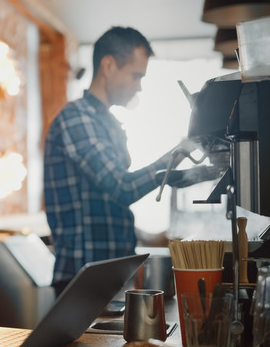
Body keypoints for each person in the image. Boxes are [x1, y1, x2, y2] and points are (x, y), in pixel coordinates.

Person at [43, 26, 209, 292]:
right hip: (82, 280)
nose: (138, 87)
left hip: (109, 274)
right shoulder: (77, 118)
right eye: (135, 76)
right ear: (108, 65)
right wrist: (179, 152)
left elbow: (106, 207)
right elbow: (122, 188)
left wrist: (147, 236)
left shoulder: (107, 123)